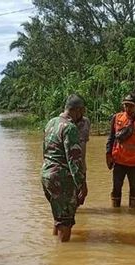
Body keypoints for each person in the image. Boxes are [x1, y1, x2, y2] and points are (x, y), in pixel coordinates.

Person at [41, 94, 88, 242]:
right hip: (61, 178)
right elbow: (74, 161)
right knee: (65, 221)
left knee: (59, 216)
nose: (83, 116)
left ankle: (56, 249)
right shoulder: (70, 128)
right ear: (77, 110)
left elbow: (44, 150)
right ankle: (62, 254)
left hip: (46, 175)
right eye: (82, 112)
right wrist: (82, 185)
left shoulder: (51, 123)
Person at [106, 94, 135, 208]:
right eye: (126, 105)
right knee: (116, 187)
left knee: (134, 189)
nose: (128, 108)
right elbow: (111, 138)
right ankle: (116, 213)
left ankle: (134, 212)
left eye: (130, 106)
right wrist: (108, 154)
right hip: (119, 160)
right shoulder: (117, 118)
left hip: (134, 163)